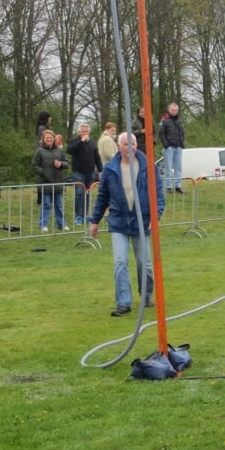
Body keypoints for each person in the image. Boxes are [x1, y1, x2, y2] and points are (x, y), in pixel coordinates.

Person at [89, 133, 165, 316]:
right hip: (118, 222)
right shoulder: (110, 169)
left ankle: (146, 295)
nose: (130, 148)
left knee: (144, 263)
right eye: (125, 144)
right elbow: (102, 197)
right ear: (118, 146)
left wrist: (156, 217)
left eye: (133, 144)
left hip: (142, 220)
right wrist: (94, 221)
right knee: (120, 262)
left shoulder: (149, 167)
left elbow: (159, 195)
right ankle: (123, 302)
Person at [33, 129, 70, 232]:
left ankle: (62, 224)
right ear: (43, 139)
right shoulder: (39, 151)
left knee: (59, 205)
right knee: (46, 205)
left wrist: (61, 164)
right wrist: (44, 172)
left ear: (54, 139)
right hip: (45, 182)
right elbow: (35, 166)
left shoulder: (59, 150)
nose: (49, 139)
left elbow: (67, 163)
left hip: (58, 182)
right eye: (47, 138)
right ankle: (43, 224)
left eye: (50, 137)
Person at [67, 123, 103, 226]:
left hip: (90, 172)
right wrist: (80, 142)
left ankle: (85, 215)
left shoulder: (92, 142)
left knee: (87, 194)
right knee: (79, 193)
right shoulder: (74, 141)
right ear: (79, 132)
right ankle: (78, 216)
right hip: (78, 172)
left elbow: (97, 156)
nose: (85, 133)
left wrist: (100, 170)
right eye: (83, 131)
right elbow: (69, 150)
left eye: (87, 131)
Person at [158, 102, 185, 193]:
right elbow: (161, 133)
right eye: (173, 110)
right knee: (168, 168)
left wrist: (181, 144)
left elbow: (182, 133)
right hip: (169, 147)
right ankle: (168, 186)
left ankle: (178, 186)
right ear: (169, 110)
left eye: (176, 110)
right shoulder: (164, 120)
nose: (174, 112)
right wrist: (166, 145)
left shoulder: (179, 121)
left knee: (178, 167)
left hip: (178, 147)